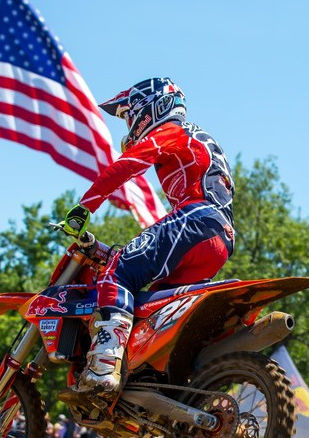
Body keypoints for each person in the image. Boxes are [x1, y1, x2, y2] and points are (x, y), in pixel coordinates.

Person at [60, 77, 234, 398]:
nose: (128, 124)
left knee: (117, 270)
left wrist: (85, 207)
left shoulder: (172, 131)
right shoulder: (198, 135)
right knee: (154, 311)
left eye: (129, 115)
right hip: (221, 237)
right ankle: (161, 387)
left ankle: (103, 365)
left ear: (151, 108)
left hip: (196, 220)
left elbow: (127, 165)